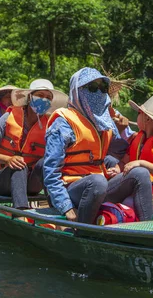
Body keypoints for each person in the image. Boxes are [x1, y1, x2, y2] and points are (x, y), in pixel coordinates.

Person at [43, 68, 123, 224]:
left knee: (139, 173)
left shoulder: (104, 121)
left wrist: (121, 165)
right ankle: (83, 231)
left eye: (102, 88)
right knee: (98, 182)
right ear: (77, 92)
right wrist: (65, 206)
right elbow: (51, 172)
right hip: (70, 189)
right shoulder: (63, 123)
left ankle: (142, 230)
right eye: (92, 88)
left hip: (99, 186)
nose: (99, 93)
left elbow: (120, 151)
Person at [0, 79, 68, 211]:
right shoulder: (8, 117)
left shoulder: (51, 125)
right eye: (40, 96)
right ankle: (21, 212)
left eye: (48, 98)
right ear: (30, 98)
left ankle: (59, 208)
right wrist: (8, 159)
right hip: (3, 181)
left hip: (31, 183)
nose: (44, 100)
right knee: (19, 165)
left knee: (47, 162)